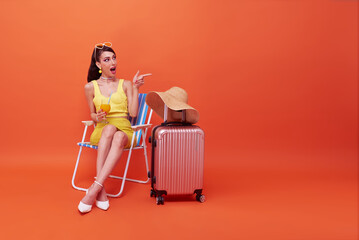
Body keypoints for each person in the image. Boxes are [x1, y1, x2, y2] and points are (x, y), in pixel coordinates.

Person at [78, 42, 151, 213]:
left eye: (114, 58)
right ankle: (100, 188)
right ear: (98, 64)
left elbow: (133, 113)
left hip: (124, 132)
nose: (113, 63)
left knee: (116, 134)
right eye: (107, 59)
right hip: (102, 130)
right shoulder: (90, 87)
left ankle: (94, 190)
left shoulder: (125, 84)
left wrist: (135, 88)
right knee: (109, 129)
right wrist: (98, 116)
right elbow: (92, 115)